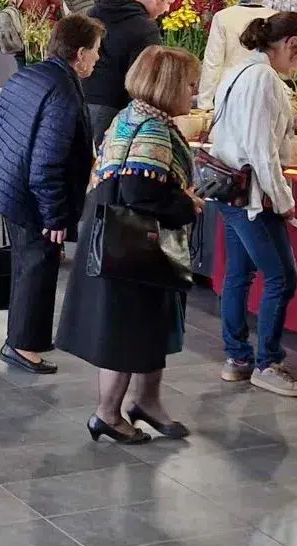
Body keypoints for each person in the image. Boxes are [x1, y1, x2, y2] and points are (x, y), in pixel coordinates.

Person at [59, 47, 202, 443]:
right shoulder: (154, 130)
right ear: (169, 85)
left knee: (144, 328)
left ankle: (146, 402)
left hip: (113, 238)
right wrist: (185, 204)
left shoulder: (133, 114)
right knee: (127, 330)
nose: (193, 93)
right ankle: (108, 412)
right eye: (189, 85)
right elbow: (140, 193)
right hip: (133, 247)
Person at [0, 13, 104, 374]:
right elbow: (48, 162)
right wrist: (54, 216)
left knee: (27, 265)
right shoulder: (62, 90)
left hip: (9, 184)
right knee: (38, 267)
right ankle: (23, 346)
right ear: (79, 53)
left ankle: (24, 337)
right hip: (31, 195)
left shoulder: (31, 74)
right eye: (96, 51)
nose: (98, 58)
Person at [213, 10, 297, 398]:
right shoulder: (263, 79)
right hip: (252, 192)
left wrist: (293, 122)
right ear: (289, 44)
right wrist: (284, 199)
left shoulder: (242, 70)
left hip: (231, 188)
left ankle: (237, 357)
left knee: (239, 275)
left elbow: (246, 127)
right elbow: (261, 150)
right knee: (282, 278)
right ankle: (267, 362)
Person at [85, 0, 181, 135]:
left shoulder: (98, 10)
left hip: (83, 93)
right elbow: (145, 77)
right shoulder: (146, 29)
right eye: (168, 3)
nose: (167, 10)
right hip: (112, 105)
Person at [199, 0, 279, 102]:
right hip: (264, 91)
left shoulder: (223, 17)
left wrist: (204, 102)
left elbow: (212, 63)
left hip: (229, 91)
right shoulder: (275, 18)